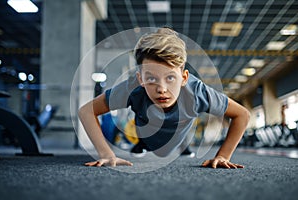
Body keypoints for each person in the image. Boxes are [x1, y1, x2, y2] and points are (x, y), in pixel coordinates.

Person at [78, 27, 250, 168]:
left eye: (170, 78)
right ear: (140, 79)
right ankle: (142, 144)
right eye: (151, 78)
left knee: (179, 133)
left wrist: (223, 156)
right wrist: (106, 154)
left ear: (184, 78)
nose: (162, 89)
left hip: (179, 133)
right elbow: (86, 111)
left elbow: (242, 114)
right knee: (149, 141)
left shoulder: (197, 92)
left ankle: (184, 146)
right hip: (146, 133)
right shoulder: (133, 88)